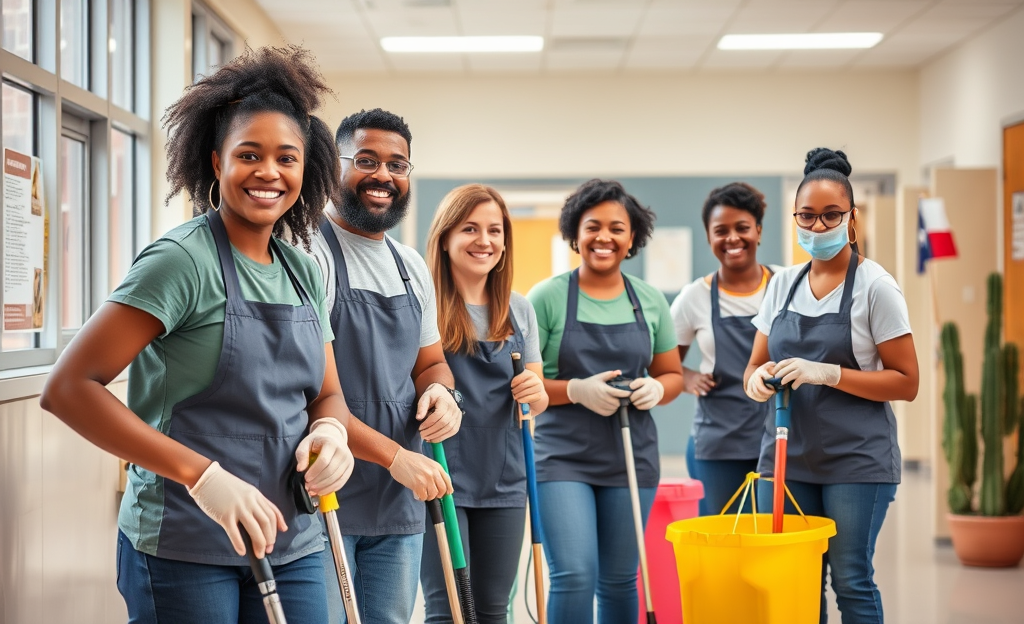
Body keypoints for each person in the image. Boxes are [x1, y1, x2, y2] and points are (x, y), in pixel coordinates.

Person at [39, 46, 354, 622]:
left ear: (306, 169)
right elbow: (68, 388)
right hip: (186, 543)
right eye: (249, 155)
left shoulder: (302, 268)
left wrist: (331, 432)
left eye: (287, 157)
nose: (269, 172)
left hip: (293, 538)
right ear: (215, 163)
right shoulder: (180, 262)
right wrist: (201, 475)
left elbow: (324, 392)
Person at [744, 148, 918, 624]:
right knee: (795, 580)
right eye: (808, 216)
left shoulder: (875, 287)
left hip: (856, 460)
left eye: (831, 216)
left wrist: (831, 373)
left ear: (851, 219)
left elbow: (907, 382)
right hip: (786, 457)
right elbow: (754, 365)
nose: (818, 228)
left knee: (850, 579)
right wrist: (756, 380)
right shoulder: (781, 284)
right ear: (795, 218)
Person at [308, 108, 462, 624]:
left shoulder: (410, 264)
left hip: (398, 499)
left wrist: (443, 394)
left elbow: (431, 363)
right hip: (326, 491)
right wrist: (396, 457)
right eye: (367, 160)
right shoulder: (310, 252)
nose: (383, 176)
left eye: (398, 165)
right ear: (334, 167)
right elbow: (312, 392)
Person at [527, 179, 684, 623]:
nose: (604, 237)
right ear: (574, 233)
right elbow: (525, 384)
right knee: (575, 573)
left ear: (632, 238)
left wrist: (657, 388)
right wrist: (575, 390)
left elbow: (672, 375)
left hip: (631, 455)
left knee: (619, 580)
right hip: (562, 457)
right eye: (592, 226)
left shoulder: (650, 301)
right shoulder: (548, 298)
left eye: (617, 228)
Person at [419, 184, 549, 623]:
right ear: (446, 236)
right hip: (439, 473)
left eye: (495, 230)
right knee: (450, 607)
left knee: (494, 608)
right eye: (470, 228)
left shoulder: (519, 309)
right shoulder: (424, 306)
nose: (485, 240)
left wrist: (537, 393)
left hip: (504, 477)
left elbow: (538, 393)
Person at [670, 182, 775, 516]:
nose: (732, 238)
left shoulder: (786, 286)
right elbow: (661, 363)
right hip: (718, 443)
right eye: (721, 230)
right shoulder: (694, 297)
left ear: (758, 231)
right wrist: (687, 378)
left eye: (742, 228)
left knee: (774, 542)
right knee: (723, 544)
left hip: (780, 437)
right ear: (709, 237)